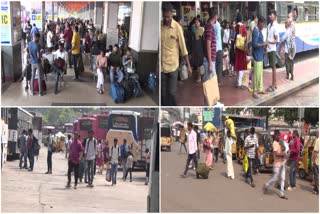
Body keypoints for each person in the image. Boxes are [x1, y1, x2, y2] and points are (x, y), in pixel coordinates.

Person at [161, 2, 192, 106]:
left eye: (168, 17)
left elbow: (183, 49)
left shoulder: (177, 27)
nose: (166, 19)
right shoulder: (160, 26)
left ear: (172, 14)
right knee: (163, 95)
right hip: (162, 68)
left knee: (172, 93)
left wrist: (188, 66)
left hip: (173, 66)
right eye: (164, 17)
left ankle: (172, 108)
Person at [263, 130, 288, 199]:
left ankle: (282, 193)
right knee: (275, 178)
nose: (279, 136)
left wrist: (285, 153)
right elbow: (276, 154)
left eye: (279, 135)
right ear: (275, 136)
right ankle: (267, 185)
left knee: (283, 178)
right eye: (278, 135)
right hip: (277, 163)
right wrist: (284, 154)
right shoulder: (274, 143)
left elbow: (284, 149)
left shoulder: (281, 142)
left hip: (282, 162)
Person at [203, 10, 217, 105]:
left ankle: (210, 105)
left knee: (210, 85)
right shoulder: (209, 28)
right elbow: (208, 45)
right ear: (215, 16)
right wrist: (210, 63)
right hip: (209, 61)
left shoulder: (209, 27)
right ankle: (208, 107)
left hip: (210, 60)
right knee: (209, 85)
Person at [252, 17, 268, 99]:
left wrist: (264, 48)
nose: (263, 25)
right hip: (257, 56)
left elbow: (260, 43)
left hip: (260, 55)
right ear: (260, 23)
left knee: (260, 74)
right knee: (256, 75)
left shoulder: (260, 32)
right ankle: (254, 91)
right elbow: (254, 44)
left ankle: (260, 89)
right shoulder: (256, 31)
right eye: (263, 24)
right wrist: (263, 44)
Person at [266, 10, 279, 92]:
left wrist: (269, 43)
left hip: (272, 49)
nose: (269, 16)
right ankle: (274, 84)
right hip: (269, 49)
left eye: (271, 15)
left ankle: (274, 85)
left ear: (275, 16)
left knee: (273, 67)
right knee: (272, 67)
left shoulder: (275, 26)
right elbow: (267, 37)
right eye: (269, 14)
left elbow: (276, 40)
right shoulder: (269, 25)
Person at [191, 18, 205, 83]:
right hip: (196, 48)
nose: (196, 24)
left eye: (197, 22)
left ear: (200, 23)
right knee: (198, 63)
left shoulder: (201, 29)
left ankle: (200, 77)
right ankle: (201, 76)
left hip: (199, 48)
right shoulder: (196, 30)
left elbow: (198, 38)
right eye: (195, 22)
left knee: (199, 63)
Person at [29, 32, 43, 96]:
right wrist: (41, 52)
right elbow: (38, 56)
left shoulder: (29, 43)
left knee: (33, 77)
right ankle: (40, 92)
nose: (38, 39)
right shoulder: (37, 45)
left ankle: (32, 92)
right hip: (37, 62)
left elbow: (29, 52)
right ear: (36, 37)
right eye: (38, 38)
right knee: (39, 77)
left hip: (32, 62)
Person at [234, 24, 248, 89]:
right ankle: (239, 82)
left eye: (241, 28)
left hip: (240, 53)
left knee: (240, 68)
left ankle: (239, 82)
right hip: (240, 53)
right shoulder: (239, 36)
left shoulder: (240, 36)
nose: (240, 29)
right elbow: (238, 45)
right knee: (240, 68)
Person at [213, 14, 223, 85]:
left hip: (215, 47)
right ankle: (217, 80)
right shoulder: (217, 24)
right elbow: (218, 37)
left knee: (216, 64)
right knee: (219, 64)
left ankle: (216, 79)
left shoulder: (210, 24)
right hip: (218, 48)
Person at [312, 131, 319, 195]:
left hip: (317, 162)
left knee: (316, 176)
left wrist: (313, 161)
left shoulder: (318, 140)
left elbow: (315, 152)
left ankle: (317, 190)